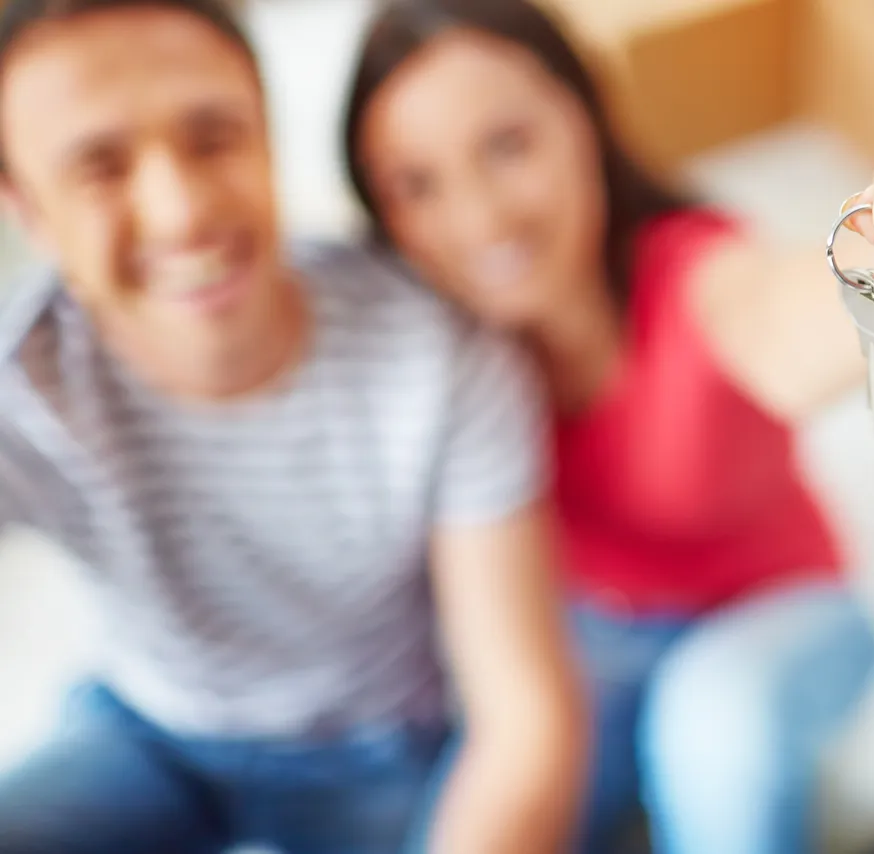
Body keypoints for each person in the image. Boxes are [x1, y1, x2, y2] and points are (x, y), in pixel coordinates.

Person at [342, 1, 874, 853]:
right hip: (596, 638)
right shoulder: (437, 356)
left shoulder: (698, 275)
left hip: (777, 614)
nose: (480, 217)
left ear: (585, 111)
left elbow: (784, 316)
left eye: (507, 145)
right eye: (416, 184)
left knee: (717, 718)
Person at [0, 1, 586, 852]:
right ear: (26, 205)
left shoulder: (436, 354)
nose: (181, 212)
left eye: (214, 139)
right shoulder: (20, 384)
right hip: (148, 736)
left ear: (269, 141)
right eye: (101, 167)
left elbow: (522, 719)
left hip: (379, 760)